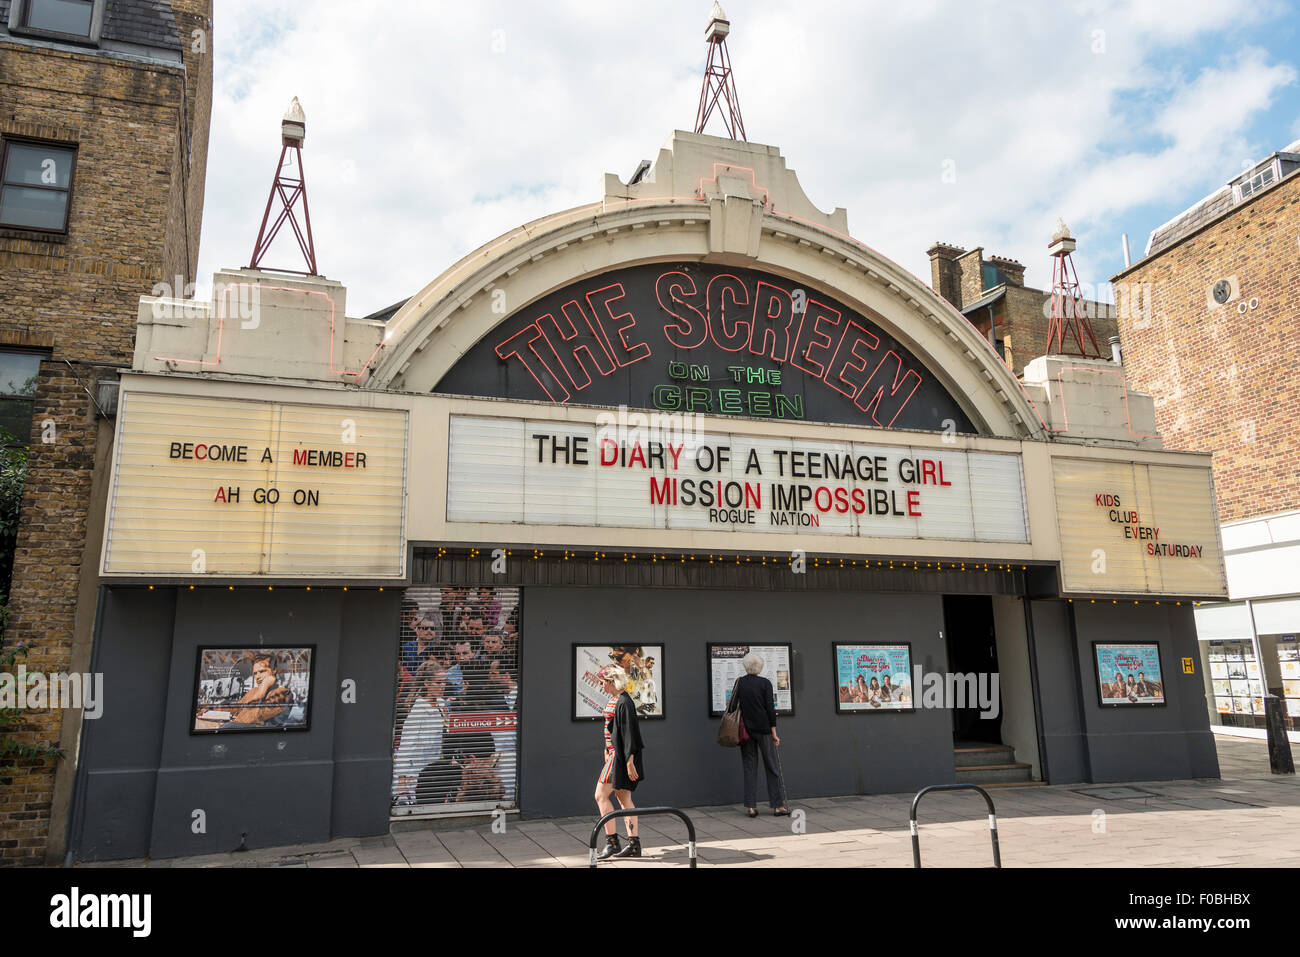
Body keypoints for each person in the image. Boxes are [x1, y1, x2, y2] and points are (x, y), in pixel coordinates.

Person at [593, 665, 645, 860]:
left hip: (620, 758)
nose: (601, 685)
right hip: (615, 755)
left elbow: (630, 733)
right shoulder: (617, 699)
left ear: (611, 681)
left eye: (603, 682)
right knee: (624, 799)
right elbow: (612, 730)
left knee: (600, 796)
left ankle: (612, 842)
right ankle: (633, 845)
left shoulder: (624, 702)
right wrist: (606, 749)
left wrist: (630, 761)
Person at [733, 652, 789, 817]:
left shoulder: (740, 682)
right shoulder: (765, 683)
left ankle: (751, 806)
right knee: (772, 766)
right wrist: (774, 733)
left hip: (745, 730)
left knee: (749, 767)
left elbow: (734, 705)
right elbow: (770, 709)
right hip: (764, 730)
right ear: (760, 667)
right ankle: (777, 805)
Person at [392, 660, 454, 806]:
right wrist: (402, 782)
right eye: (438, 683)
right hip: (417, 773)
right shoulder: (419, 710)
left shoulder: (441, 704)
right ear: (426, 684)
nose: (442, 686)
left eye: (443, 682)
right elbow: (406, 746)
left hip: (435, 769)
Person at [218, 654, 293, 730]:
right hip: (238, 731)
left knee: (227, 727)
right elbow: (235, 708)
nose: (257, 677)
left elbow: (251, 718)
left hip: (258, 737)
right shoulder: (253, 691)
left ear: (274, 670)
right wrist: (211, 708)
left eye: (262, 671)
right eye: (255, 673)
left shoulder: (283, 694)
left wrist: (262, 690)